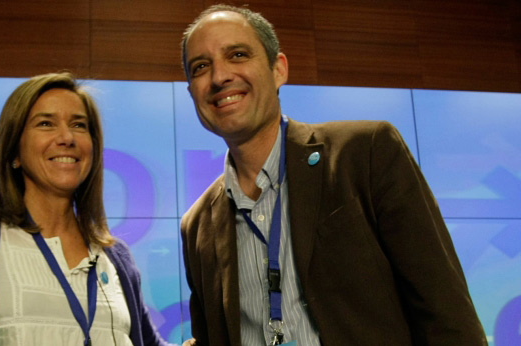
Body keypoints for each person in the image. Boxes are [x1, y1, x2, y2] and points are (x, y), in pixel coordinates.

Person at [179, 4, 487, 346]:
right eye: (201, 66)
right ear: (192, 91)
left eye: (237, 54)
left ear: (278, 69)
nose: (219, 76)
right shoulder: (196, 226)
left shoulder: (366, 154)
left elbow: (446, 313)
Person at [0, 72, 171, 346]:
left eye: (78, 125)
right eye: (46, 123)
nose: (66, 137)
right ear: (14, 151)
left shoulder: (117, 257)